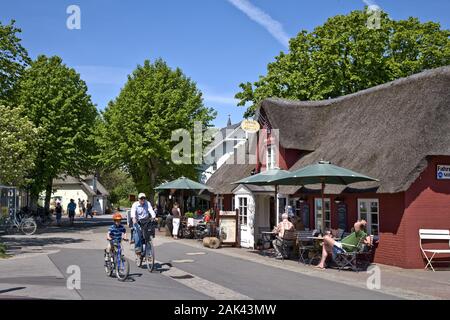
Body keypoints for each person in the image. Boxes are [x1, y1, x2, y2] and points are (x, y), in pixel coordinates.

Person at [130, 193, 156, 257]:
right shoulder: (135, 204)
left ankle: (149, 253)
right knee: (138, 235)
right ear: (138, 199)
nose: (143, 200)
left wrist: (153, 216)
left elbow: (151, 210)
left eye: (144, 198)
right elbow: (133, 211)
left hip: (146, 221)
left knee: (148, 237)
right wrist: (133, 218)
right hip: (137, 221)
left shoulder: (147, 203)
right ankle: (138, 250)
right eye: (141, 198)